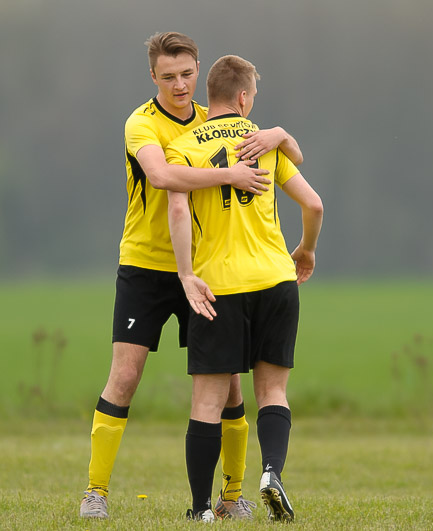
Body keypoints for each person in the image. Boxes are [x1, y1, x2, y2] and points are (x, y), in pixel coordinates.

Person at [79, 32, 305, 520]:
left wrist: (278, 133)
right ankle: (95, 492)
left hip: (204, 271)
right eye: (168, 77)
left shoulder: (211, 122)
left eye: (186, 74)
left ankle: (231, 498)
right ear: (153, 77)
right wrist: (228, 175)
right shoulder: (141, 123)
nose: (179, 85)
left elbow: (274, 151)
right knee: (125, 376)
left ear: (199, 70)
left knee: (230, 388)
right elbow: (161, 177)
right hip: (146, 265)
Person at [166, 55, 323, 522]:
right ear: (243, 97)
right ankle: (271, 472)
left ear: (208, 94)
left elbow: (178, 211)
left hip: (219, 287)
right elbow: (314, 205)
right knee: (272, 390)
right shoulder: (263, 142)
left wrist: (186, 273)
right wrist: (306, 250)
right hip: (276, 280)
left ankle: (201, 509)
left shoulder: (183, 146)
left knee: (207, 401)